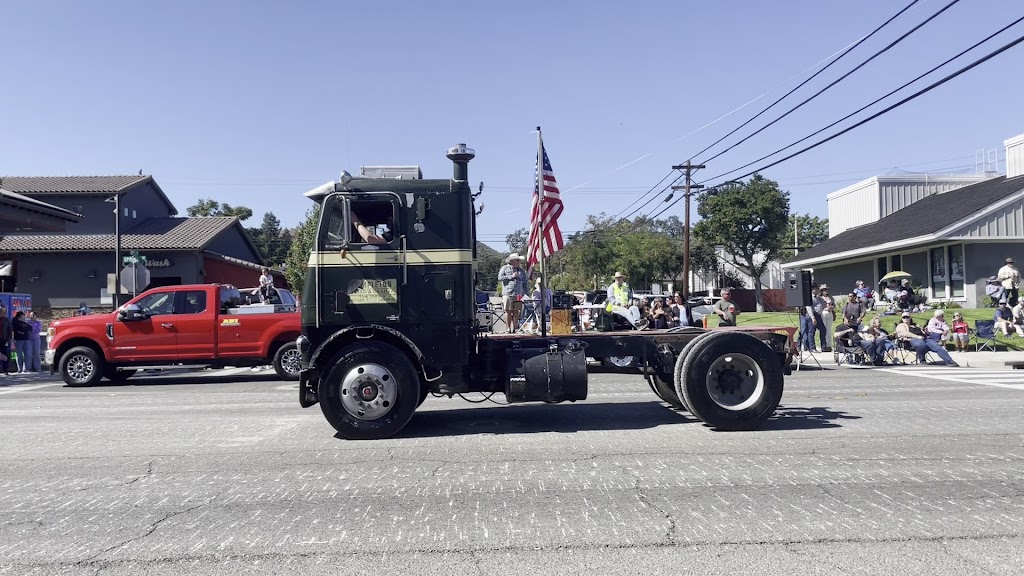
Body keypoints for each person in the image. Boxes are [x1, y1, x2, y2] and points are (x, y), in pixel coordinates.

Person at [498, 253, 528, 332]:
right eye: (517, 260)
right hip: (508, 293)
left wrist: (527, 294)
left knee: (516, 311)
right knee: (508, 310)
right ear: (512, 261)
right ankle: (508, 328)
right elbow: (500, 278)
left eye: (519, 260)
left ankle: (515, 328)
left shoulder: (521, 271)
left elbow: (525, 283)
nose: (518, 262)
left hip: (518, 294)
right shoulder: (504, 268)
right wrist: (511, 277)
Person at [818, 285, 835, 352]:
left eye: (826, 290)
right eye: (824, 290)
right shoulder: (820, 298)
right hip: (823, 312)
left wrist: (832, 308)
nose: (826, 291)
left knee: (829, 329)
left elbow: (834, 304)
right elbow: (819, 306)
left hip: (830, 313)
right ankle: (824, 344)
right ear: (821, 291)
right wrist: (825, 308)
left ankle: (829, 345)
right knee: (824, 329)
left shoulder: (830, 297)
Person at [0, 306, 11, 375]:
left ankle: (5, 369)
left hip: (3, 339)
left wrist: (8, 339)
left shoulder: (6, 320)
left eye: (3, 312)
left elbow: (9, 330)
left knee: (5, 354)